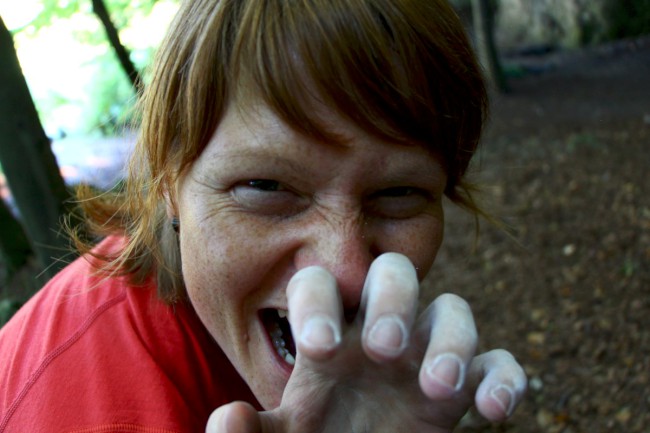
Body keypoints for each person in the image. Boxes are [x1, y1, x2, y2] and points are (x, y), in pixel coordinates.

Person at [0, 0, 527, 432]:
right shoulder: (90, 410)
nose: (347, 273)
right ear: (167, 185)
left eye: (398, 193)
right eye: (266, 187)